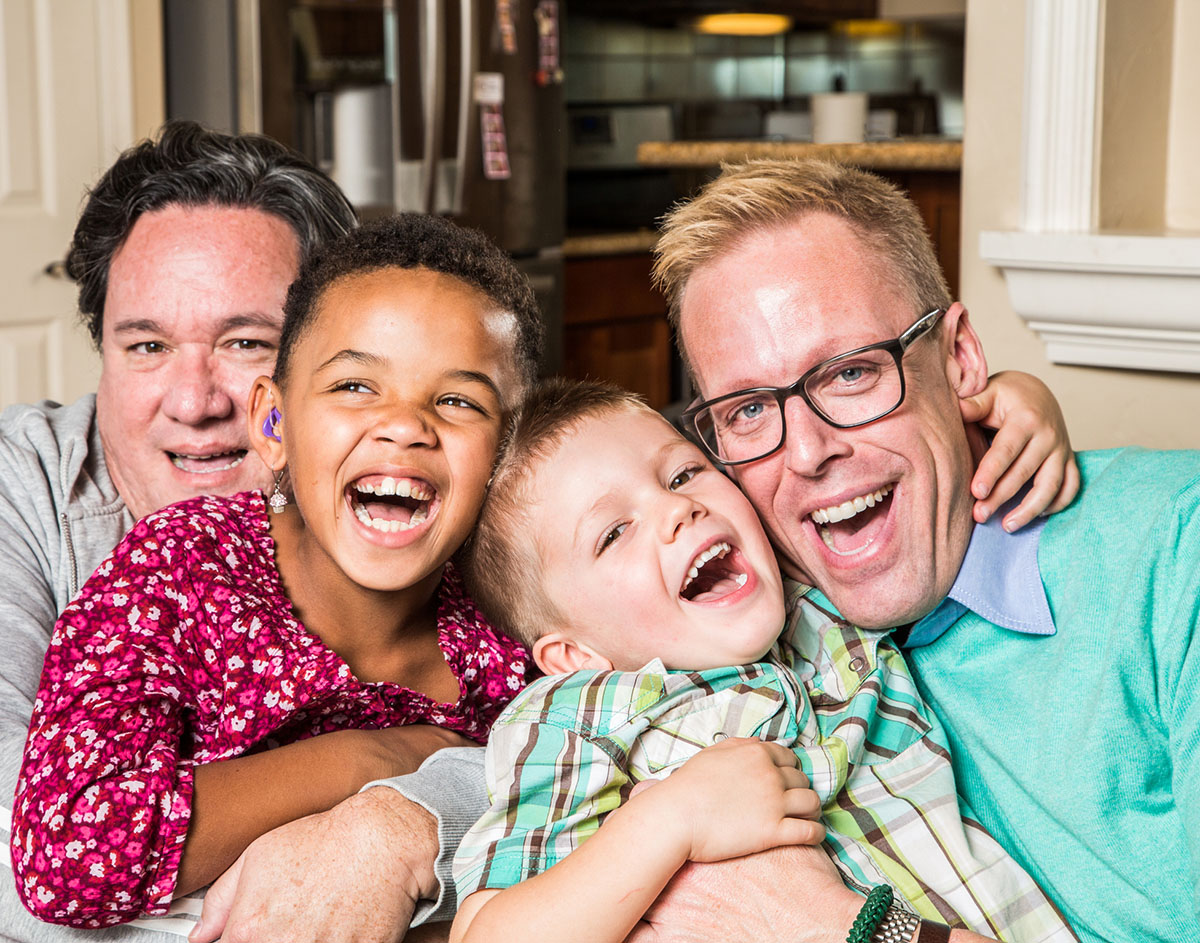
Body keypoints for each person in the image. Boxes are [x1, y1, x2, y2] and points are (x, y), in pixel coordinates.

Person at [622, 157, 1200, 943]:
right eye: (750, 409)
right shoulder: (753, 609)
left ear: (960, 359)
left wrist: (845, 930)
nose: (807, 452)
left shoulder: (1177, 554)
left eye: (853, 372)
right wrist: (407, 821)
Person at [10, 213, 540, 927]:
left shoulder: (517, 614)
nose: (405, 424)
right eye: (355, 385)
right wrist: (370, 759)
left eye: (457, 400)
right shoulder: (182, 570)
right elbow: (69, 847)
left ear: (508, 451)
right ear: (274, 423)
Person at [447, 378, 1074, 943]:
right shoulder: (580, 715)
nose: (677, 510)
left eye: (682, 475)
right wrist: (673, 820)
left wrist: (1015, 403)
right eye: (614, 532)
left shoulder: (811, 594)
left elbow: (908, 485)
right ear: (575, 654)